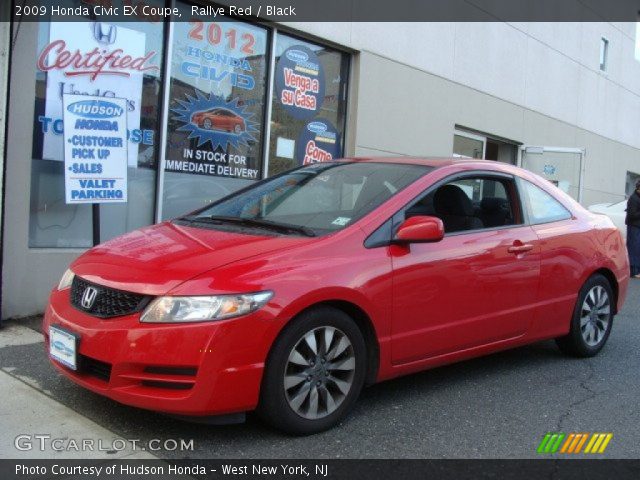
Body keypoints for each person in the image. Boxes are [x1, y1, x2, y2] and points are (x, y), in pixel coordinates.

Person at [626, 179, 640, 278]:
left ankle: (636, 270)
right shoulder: (634, 198)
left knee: (637, 248)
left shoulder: (638, 197)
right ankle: (633, 272)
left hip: (637, 226)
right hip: (633, 227)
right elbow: (632, 215)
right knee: (633, 248)